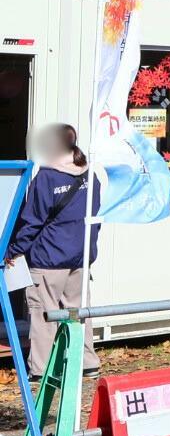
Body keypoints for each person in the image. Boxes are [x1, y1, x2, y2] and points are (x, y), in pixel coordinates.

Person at [5, 124, 100, 378]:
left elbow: (31, 221)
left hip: (48, 259)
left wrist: (12, 250)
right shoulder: (90, 175)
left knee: (44, 313)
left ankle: (41, 369)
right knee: (78, 312)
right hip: (80, 257)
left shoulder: (46, 177)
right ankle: (87, 362)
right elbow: (95, 216)